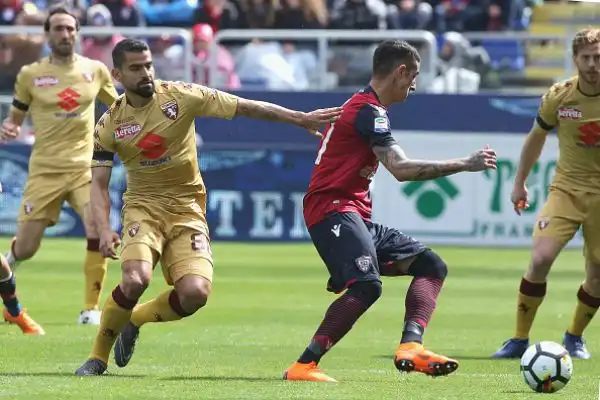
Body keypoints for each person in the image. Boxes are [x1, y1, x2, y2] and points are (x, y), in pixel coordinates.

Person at [74, 38, 342, 376]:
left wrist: (299, 118)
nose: (146, 73)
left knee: (195, 294)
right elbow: (98, 185)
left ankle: (136, 319)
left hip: (187, 209)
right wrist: (102, 228)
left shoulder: (180, 96)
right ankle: (97, 358)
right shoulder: (109, 124)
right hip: (143, 208)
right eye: (136, 68)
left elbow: (245, 106)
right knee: (135, 278)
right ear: (117, 74)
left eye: (148, 65)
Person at [282, 39, 497, 382]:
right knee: (367, 285)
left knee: (431, 265)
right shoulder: (368, 111)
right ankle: (304, 365)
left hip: (353, 214)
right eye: (413, 76)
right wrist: (465, 163)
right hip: (332, 210)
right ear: (400, 72)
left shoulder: (366, 108)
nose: (415, 84)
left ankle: (411, 346)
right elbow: (401, 169)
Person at [0, 7, 118, 333]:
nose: (65, 34)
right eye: (58, 29)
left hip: (84, 169)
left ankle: (91, 309)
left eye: (70, 28)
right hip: (45, 171)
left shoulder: (95, 70)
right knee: (26, 247)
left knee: (97, 226)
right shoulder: (30, 74)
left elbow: (120, 109)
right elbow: (15, 119)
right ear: (48, 34)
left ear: (77, 32)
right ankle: (7, 269)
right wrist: (9, 129)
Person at [493, 28, 600, 360]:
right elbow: (536, 137)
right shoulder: (560, 96)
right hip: (566, 191)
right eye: (587, 58)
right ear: (575, 59)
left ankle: (574, 337)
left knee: (598, 275)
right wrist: (519, 182)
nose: (594, 64)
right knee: (539, 260)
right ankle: (519, 339)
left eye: (599, 58)